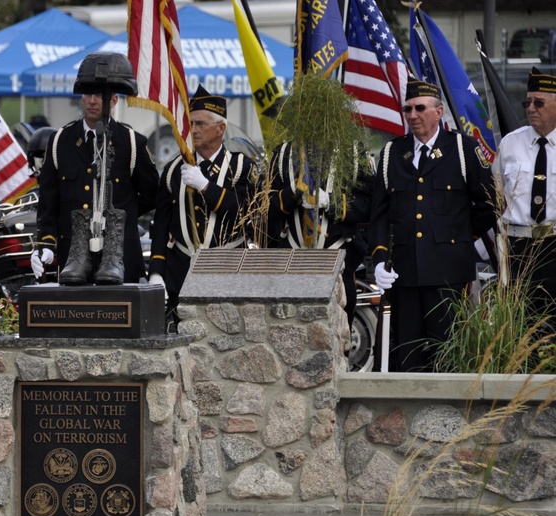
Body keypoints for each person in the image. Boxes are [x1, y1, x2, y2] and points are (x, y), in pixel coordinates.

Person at [369, 79, 497, 372]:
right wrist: (378, 259)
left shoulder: (462, 150)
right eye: (408, 109)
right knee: (406, 358)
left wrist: (460, 237)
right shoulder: (392, 153)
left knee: (448, 357)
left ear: (439, 112)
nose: (413, 115)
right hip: (404, 273)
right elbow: (379, 215)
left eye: (420, 108)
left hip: (448, 275)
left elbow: (489, 204)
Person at [31, 52, 159, 286]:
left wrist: (121, 217)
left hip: (120, 257)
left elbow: (152, 195)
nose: (92, 100)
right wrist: (45, 244)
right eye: (88, 93)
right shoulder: (60, 142)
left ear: (114, 100)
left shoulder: (131, 142)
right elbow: (49, 201)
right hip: (74, 257)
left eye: (100, 95)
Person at [148, 85, 252, 326]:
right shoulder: (174, 170)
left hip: (227, 273)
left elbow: (241, 210)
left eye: (201, 124)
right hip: (181, 273)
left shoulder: (240, 167)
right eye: (190, 124)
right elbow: (161, 225)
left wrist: (206, 186)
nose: (193, 130)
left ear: (220, 128)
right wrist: (156, 271)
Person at [267, 140, 374, 326]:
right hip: (292, 259)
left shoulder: (353, 151)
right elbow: (266, 206)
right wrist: (291, 193)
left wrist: (331, 203)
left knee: (338, 336)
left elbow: (368, 203)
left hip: (337, 257)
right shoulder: (284, 152)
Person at [495, 67, 556, 314]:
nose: (531, 109)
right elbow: (496, 194)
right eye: (527, 102)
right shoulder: (510, 143)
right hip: (518, 246)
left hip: (554, 244)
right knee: (519, 321)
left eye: (539, 103)